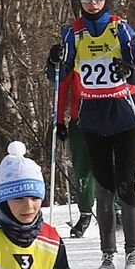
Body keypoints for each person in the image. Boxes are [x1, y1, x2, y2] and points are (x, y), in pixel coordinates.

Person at [49, 0, 135, 269]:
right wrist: (53, 60)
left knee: (125, 182)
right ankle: (108, 255)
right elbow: (58, 75)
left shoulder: (121, 28)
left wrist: (129, 71)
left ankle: (133, 252)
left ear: (106, 0)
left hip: (124, 113)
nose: (92, 4)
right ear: (79, 2)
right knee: (103, 187)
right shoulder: (72, 33)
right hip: (92, 117)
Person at [50, 62, 96, 238]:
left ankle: (117, 210)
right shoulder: (74, 46)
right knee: (82, 169)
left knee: (110, 166)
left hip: (109, 117)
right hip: (81, 120)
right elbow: (61, 87)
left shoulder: (114, 38)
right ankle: (85, 213)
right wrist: (60, 120)